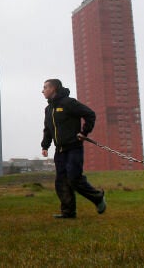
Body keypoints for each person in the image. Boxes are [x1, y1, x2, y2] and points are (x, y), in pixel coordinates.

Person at [41, 79, 106, 219]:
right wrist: (45, 145)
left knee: (74, 178)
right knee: (61, 182)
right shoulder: (49, 109)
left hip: (73, 148)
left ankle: (98, 198)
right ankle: (68, 212)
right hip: (59, 151)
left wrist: (84, 132)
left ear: (54, 88)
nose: (43, 90)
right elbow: (48, 129)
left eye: (45, 87)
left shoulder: (69, 103)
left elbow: (90, 114)